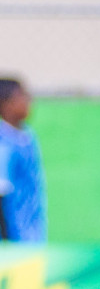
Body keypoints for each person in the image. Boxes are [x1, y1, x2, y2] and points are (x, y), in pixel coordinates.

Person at [0, 78, 45, 243]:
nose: (28, 100)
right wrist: (7, 248)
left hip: (32, 237)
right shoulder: (4, 142)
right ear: (6, 104)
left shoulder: (27, 136)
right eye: (22, 96)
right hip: (13, 242)